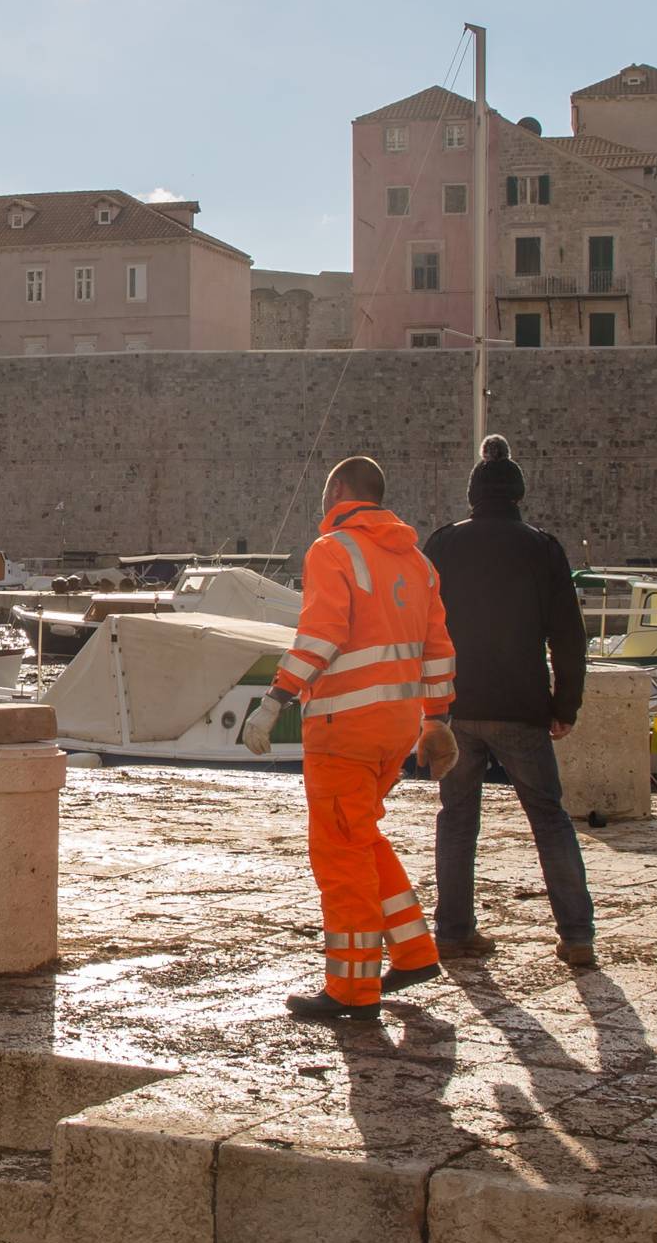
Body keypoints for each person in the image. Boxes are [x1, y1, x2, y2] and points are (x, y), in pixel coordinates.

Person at [242, 455, 458, 1024]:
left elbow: (321, 635)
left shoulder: (333, 550)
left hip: (344, 728)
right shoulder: (418, 562)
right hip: (397, 728)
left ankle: (352, 989)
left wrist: (273, 703)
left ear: (339, 490)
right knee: (360, 835)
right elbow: (438, 649)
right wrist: (437, 721)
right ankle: (413, 951)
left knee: (340, 857)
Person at [424, 434, 598, 971]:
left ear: (473, 494)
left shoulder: (444, 544)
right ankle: (576, 936)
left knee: (456, 818)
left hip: (456, 705)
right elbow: (568, 636)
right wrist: (564, 706)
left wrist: (425, 704)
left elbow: (419, 627)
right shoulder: (543, 548)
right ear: (518, 495)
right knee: (549, 818)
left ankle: (452, 932)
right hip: (522, 705)